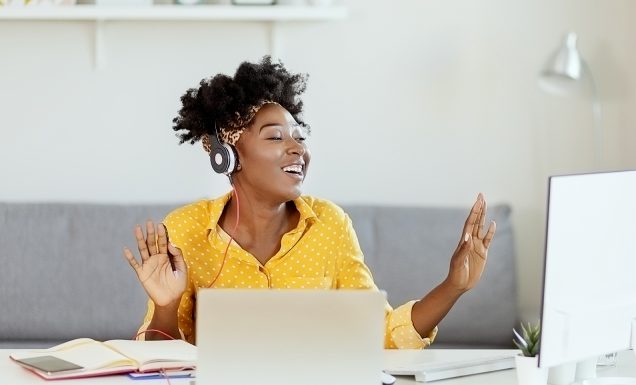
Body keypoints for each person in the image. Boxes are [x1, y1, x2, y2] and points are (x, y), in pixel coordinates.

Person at [122, 56, 497, 349]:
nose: (297, 148)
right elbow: (159, 365)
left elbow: (378, 334)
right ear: (228, 156)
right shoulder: (186, 230)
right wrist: (167, 306)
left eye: (300, 137)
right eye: (275, 137)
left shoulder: (330, 224)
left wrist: (453, 286)